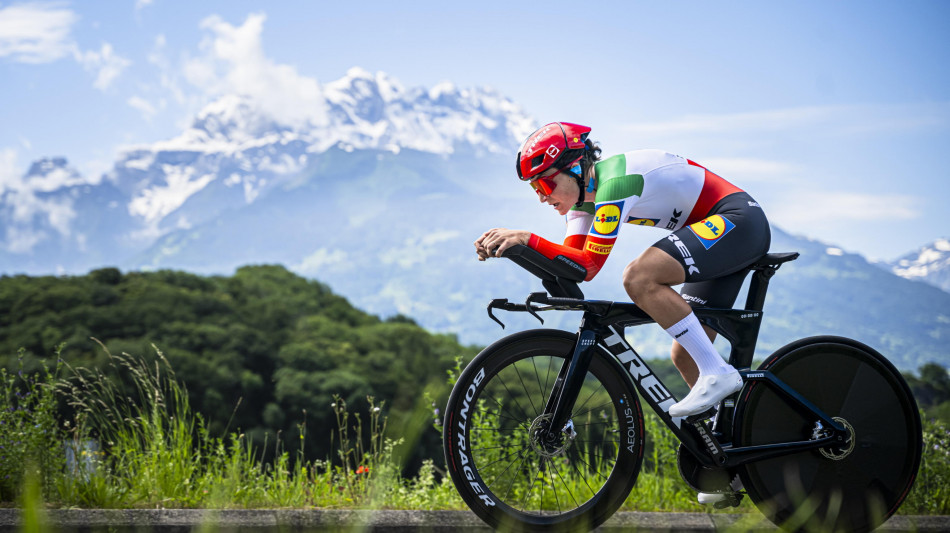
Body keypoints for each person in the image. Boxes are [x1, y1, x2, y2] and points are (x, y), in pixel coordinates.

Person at [475, 121, 771, 429]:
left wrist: (526, 238)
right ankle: (734, 446)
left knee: (639, 277)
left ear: (575, 168)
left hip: (739, 221)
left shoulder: (615, 184)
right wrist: (514, 251)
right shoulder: (582, 206)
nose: (541, 197)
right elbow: (573, 271)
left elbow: (589, 263)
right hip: (714, 236)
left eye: (545, 185)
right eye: (535, 189)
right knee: (685, 354)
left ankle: (718, 373)